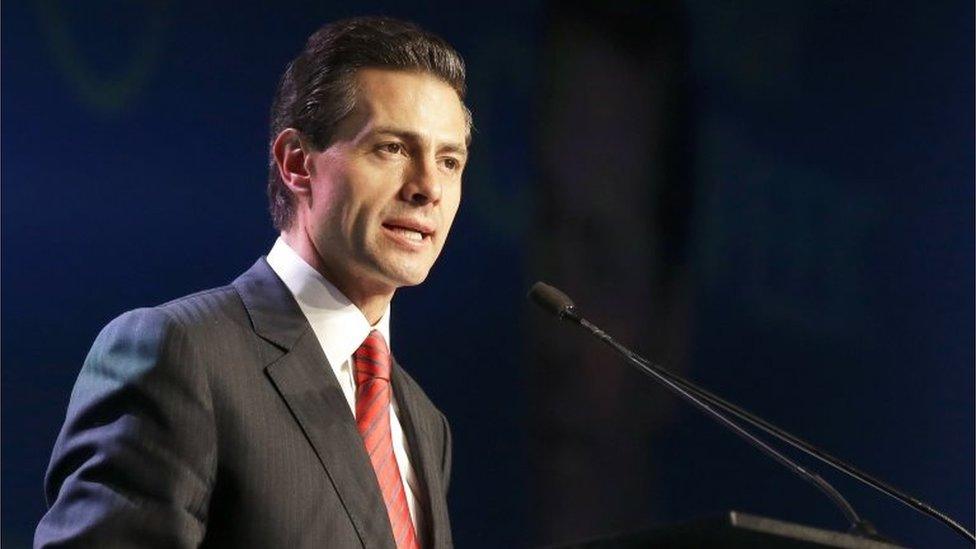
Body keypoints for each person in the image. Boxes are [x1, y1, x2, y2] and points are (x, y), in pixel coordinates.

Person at [35, 16, 469, 549]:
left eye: (449, 160)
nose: (428, 187)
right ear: (296, 164)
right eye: (392, 149)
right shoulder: (179, 353)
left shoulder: (426, 423)